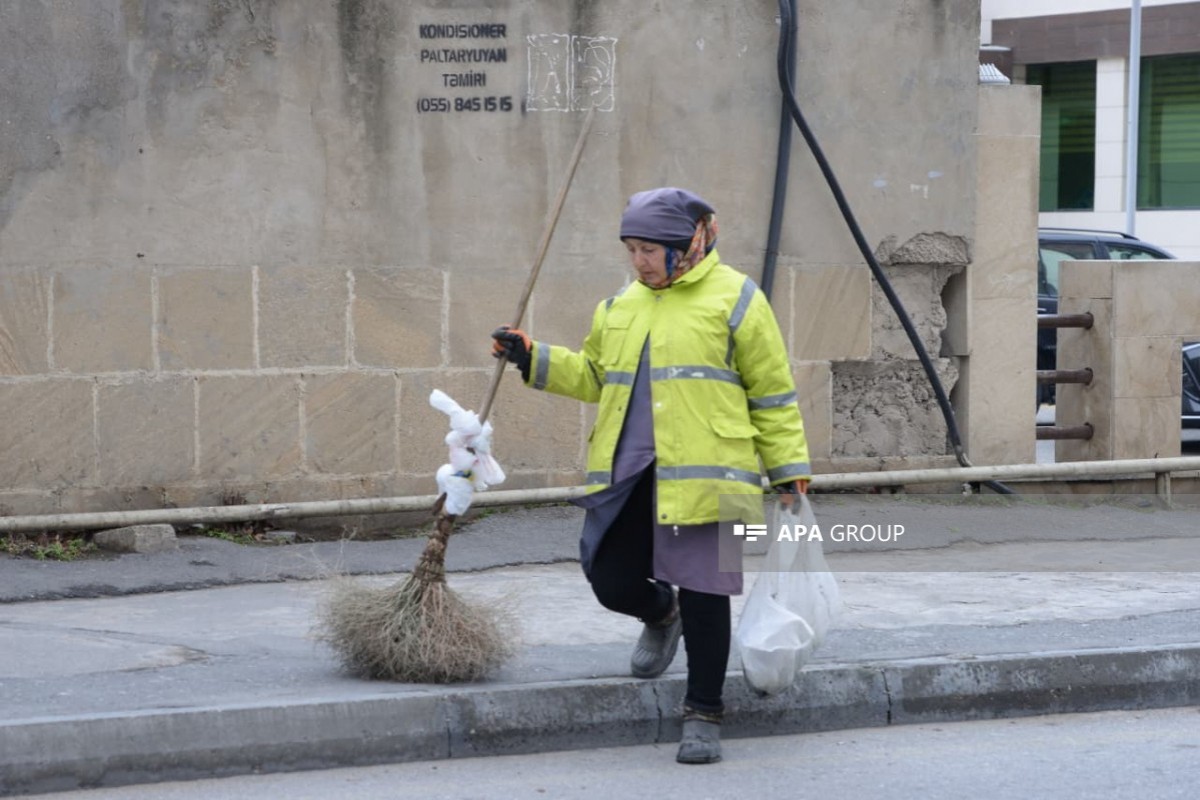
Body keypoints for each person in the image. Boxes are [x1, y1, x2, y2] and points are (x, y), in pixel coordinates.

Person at [491, 187, 810, 764]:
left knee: (708, 595)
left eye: (650, 249)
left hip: (710, 477)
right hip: (629, 474)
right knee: (610, 579)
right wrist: (532, 356)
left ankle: (704, 714)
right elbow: (593, 375)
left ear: (689, 243)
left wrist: (789, 472)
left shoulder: (737, 298)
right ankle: (663, 614)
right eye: (632, 249)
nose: (639, 261)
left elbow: (772, 393)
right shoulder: (620, 305)